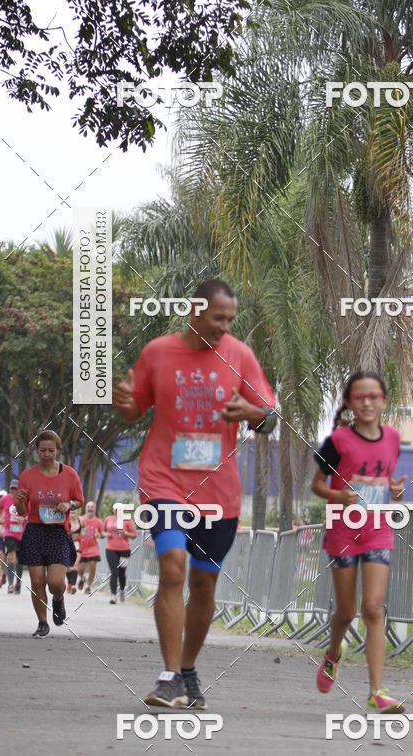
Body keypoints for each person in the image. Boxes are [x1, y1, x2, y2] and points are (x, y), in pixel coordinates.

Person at [112, 278, 276, 710]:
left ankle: (187, 669)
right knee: (172, 567)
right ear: (195, 310)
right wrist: (121, 399)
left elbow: (268, 418)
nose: (225, 327)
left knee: (204, 584)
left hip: (218, 491)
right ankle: (168, 677)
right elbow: (134, 408)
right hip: (163, 479)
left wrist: (255, 413)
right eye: (218, 318)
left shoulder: (239, 355)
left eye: (230, 320)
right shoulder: (157, 352)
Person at [311, 371, 407, 714]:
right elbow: (316, 485)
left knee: (372, 608)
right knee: (347, 610)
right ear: (351, 403)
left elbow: (386, 486)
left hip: (378, 528)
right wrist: (339, 495)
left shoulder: (393, 438)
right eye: (360, 397)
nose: (367, 402)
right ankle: (334, 653)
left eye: (374, 396)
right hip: (343, 529)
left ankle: (377, 690)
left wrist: (396, 492)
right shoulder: (337, 441)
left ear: (384, 401)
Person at [16, 430, 84, 637]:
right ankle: (42, 622)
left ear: (58, 451)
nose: (46, 454)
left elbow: (79, 501)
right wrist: (19, 500)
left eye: (51, 450)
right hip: (35, 530)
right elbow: (22, 511)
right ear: (36, 450)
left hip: (58, 533)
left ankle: (58, 599)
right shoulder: (27, 476)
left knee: (55, 583)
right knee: (37, 581)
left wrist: (68, 504)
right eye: (42, 450)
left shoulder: (69, 474)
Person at [103, 504, 137, 604]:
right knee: (114, 572)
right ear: (113, 510)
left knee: (122, 572)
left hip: (124, 550)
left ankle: (122, 590)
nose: (118, 511)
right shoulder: (108, 519)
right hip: (111, 549)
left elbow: (134, 535)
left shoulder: (128, 520)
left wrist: (125, 533)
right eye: (116, 510)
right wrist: (106, 534)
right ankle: (113, 596)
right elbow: (103, 531)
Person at [0, 479, 28, 594]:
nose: (13, 490)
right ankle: (10, 585)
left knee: (19, 560)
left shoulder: (25, 500)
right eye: (11, 488)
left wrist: (24, 519)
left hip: (22, 532)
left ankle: (18, 583)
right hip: (9, 532)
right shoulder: (5, 499)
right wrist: (0, 516)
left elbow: (32, 513)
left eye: (15, 488)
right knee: (10, 556)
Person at [77, 501, 103, 594]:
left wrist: (99, 535)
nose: (90, 508)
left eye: (92, 507)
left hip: (93, 547)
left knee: (93, 565)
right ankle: (82, 578)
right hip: (82, 547)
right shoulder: (80, 519)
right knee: (80, 568)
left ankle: (88, 586)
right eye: (88, 507)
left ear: (94, 509)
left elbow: (102, 533)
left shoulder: (98, 521)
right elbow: (75, 530)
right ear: (86, 508)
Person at [67, 507, 82, 594]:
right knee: (67, 567)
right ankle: (69, 582)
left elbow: (83, 532)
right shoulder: (66, 521)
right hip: (67, 544)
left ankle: (73, 586)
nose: (73, 511)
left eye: (74, 509)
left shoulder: (81, 521)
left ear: (77, 511)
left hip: (77, 545)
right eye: (71, 509)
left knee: (75, 564)